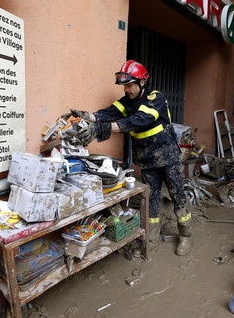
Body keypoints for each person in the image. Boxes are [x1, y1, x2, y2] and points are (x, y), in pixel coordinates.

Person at [71, 60, 192, 256]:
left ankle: (185, 235)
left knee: (177, 194)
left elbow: (140, 120)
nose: (126, 90)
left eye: (129, 85)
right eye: (124, 86)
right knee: (151, 198)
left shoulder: (155, 98)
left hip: (168, 156)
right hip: (147, 159)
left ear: (142, 82)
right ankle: (152, 237)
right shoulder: (126, 101)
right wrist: (89, 117)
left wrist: (102, 129)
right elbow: (109, 113)